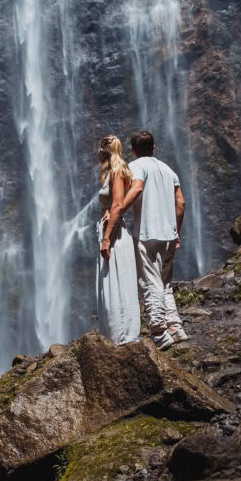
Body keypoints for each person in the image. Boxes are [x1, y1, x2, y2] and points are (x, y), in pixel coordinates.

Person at [120, 130, 188, 351]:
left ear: (132, 150)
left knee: (150, 283)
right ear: (154, 148)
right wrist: (176, 231)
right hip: (168, 235)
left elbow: (137, 187)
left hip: (148, 233)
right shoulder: (168, 170)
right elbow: (181, 203)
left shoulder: (136, 166)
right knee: (165, 283)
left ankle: (159, 331)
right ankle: (175, 327)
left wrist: (119, 210)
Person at [96, 135, 141, 345]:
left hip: (114, 234)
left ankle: (121, 334)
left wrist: (106, 239)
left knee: (116, 281)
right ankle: (118, 332)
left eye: (99, 148)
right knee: (113, 281)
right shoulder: (118, 171)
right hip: (112, 230)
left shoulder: (116, 171)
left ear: (105, 150)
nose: (96, 152)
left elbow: (117, 205)